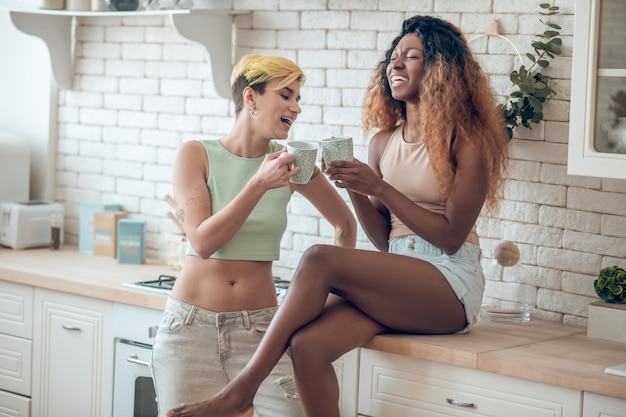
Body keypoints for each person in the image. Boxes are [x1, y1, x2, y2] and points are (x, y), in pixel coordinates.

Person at [165, 14, 509, 417]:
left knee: (317, 259)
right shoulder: (383, 142)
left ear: (440, 68)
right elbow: (384, 239)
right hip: (400, 275)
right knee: (307, 346)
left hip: (450, 283)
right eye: (393, 58)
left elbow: (451, 236)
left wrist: (377, 187)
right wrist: (355, 186)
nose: (395, 65)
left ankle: (241, 392)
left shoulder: (467, 140)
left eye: (411, 57)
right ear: (249, 98)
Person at [150, 54, 357, 417]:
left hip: (261, 332)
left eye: (298, 99)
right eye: (287, 95)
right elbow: (201, 242)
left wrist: (327, 304)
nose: (296, 107)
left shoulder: (293, 162)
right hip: (189, 331)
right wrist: (258, 184)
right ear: (251, 98)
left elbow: (344, 225)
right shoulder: (196, 154)